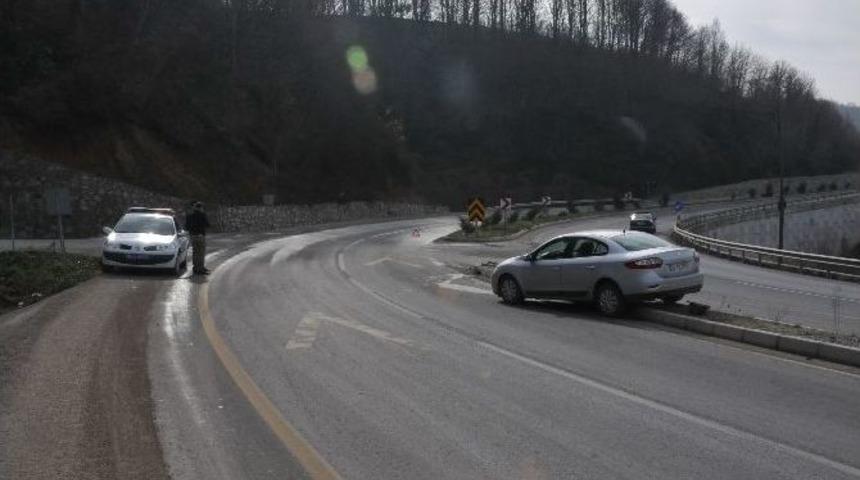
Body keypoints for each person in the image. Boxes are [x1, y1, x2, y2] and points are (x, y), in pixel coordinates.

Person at [185, 201, 211, 275]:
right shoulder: (202, 215)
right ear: (201, 208)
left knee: (195, 252)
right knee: (201, 253)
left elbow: (186, 227)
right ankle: (201, 268)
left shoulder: (189, 216)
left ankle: (196, 268)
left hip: (193, 236)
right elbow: (208, 225)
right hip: (200, 236)